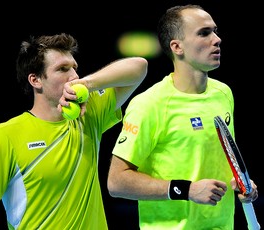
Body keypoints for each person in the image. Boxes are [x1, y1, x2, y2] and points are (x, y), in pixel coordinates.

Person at [0, 33, 148, 229]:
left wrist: (88, 84)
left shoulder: (89, 114)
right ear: (35, 80)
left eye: (74, 68)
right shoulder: (5, 135)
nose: (74, 77)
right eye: (63, 69)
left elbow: (139, 67)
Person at [107, 4, 259, 229]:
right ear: (177, 47)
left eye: (215, 31)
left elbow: (218, 160)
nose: (217, 39)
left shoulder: (223, 93)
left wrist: (242, 184)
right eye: (204, 33)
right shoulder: (149, 104)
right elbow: (116, 182)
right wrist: (187, 190)